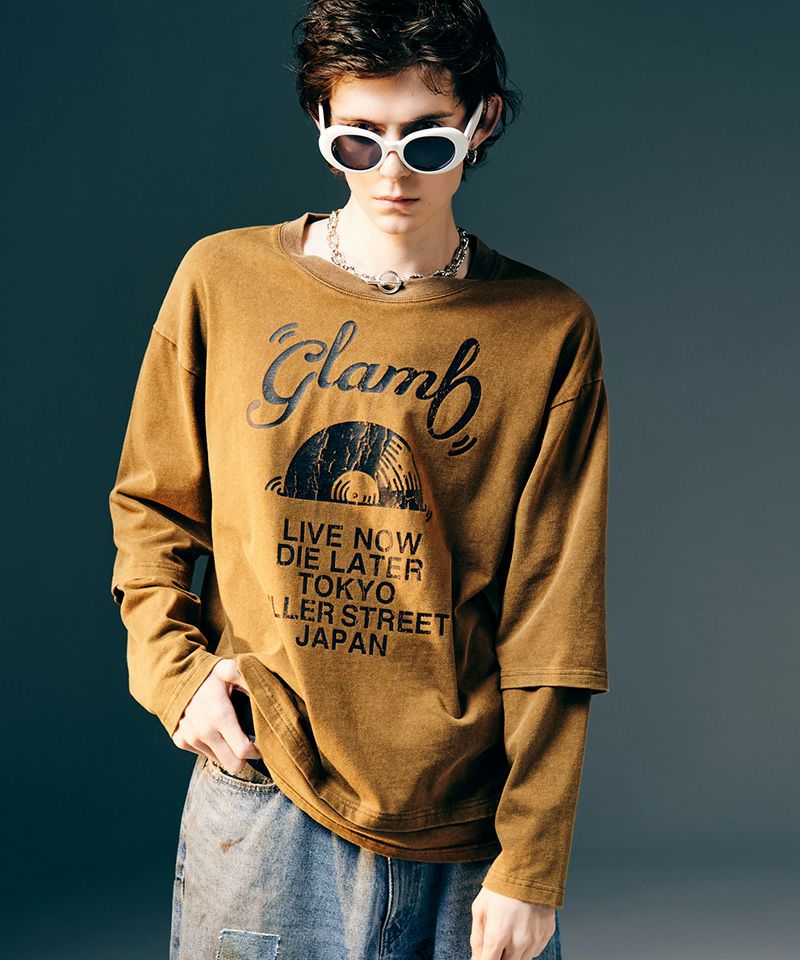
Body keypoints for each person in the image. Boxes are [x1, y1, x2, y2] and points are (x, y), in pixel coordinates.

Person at [107, 2, 610, 958]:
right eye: (358, 139)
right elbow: (152, 505)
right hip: (266, 796)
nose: (390, 172)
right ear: (319, 122)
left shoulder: (547, 330)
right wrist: (175, 678)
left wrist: (533, 859)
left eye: (426, 141)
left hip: (467, 826)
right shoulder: (222, 281)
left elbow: (555, 614)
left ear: (481, 124)